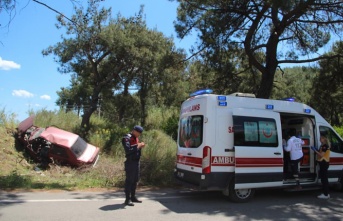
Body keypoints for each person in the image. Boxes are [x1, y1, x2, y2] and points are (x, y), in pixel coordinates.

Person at [122, 125, 146, 206]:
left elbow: (136, 148)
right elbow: (128, 150)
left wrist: (140, 146)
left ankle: (133, 197)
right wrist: (138, 146)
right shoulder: (126, 138)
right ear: (134, 130)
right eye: (138, 132)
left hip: (136, 162)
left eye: (140, 133)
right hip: (130, 162)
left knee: (135, 180)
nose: (139, 134)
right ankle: (127, 199)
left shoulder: (136, 138)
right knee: (129, 181)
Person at [312, 134, 331, 199]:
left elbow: (321, 155)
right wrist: (317, 150)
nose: (320, 139)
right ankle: (326, 193)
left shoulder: (325, 146)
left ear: (324, 139)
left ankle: (326, 194)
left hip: (324, 163)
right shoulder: (322, 146)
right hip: (322, 163)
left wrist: (315, 150)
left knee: (324, 179)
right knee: (323, 178)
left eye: (321, 138)